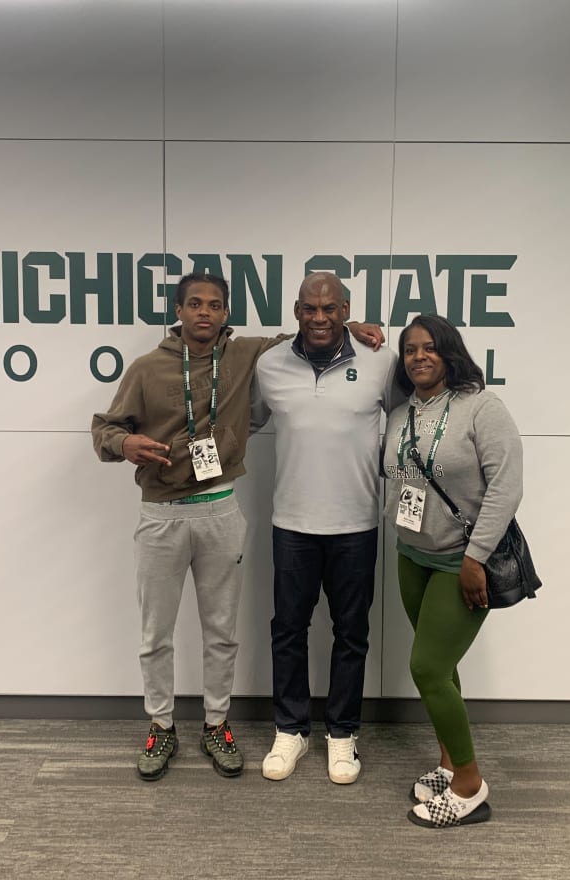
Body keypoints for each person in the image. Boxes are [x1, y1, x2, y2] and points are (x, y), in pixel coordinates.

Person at [91, 272, 383, 782]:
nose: (205, 312)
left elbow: (316, 332)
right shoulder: (148, 368)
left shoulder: (250, 354)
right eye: (195, 304)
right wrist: (123, 445)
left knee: (224, 633)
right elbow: (105, 429)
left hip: (225, 510)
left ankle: (220, 724)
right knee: (156, 633)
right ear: (178, 310)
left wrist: (356, 325)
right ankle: (163, 725)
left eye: (216, 305)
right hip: (164, 513)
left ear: (226, 313)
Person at [251, 271, 401, 785]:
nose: (320, 318)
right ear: (296, 311)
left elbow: (407, 423)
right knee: (287, 630)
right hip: (291, 523)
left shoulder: (379, 359)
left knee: (351, 634)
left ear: (345, 309)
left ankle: (342, 735)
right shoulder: (269, 364)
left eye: (331, 309)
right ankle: (291, 730)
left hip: (356, 524)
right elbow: (241, 419)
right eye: (310, 309)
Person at [381, 314, 523, 828]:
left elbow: (506, 487)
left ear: (449, 351)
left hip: (459, 561)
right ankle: (447, 760)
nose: (419, 357)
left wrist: (475, 558)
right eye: (410, 350)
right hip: (412, 556)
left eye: (429, 348)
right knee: (444, 667)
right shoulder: (402, 413)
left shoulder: (482, 407)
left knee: (428, 669)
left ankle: (469, 783)